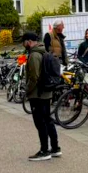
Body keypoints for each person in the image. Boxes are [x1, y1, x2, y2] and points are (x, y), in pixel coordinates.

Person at [22, 32, 60, 162]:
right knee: (48, 119)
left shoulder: (34, 55)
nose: (23, 45)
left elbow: (34, 77)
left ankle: (44, 150)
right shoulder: (44, 51)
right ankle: (55, 148)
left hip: (37, 94)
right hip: (46, 92)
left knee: (40, 122)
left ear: (28, 41)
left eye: (24, 42)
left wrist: (28, 91)